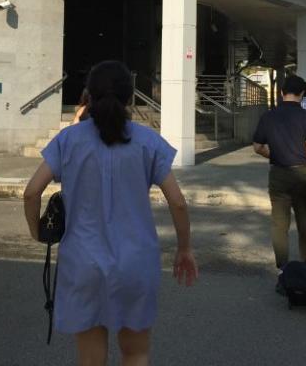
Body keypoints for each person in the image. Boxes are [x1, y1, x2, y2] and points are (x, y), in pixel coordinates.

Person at [24, 60, 198, 366]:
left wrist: (37, 232)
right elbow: (178, 202)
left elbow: (32, 191)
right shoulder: (148, 141)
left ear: (88, 95)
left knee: (91, 359)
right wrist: (184, 248)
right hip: (136, 260)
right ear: (130, 97)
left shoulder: (68, 140)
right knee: (136, 353)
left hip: (82, 261)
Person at [253, 74, 306, 274]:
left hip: (278, 174)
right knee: (305, 223)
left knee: (279, 224)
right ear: (302, 94)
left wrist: (273, 153)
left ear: (281, 92)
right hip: (304, 175)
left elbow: (258, 147)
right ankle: (305, 265)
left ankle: (283, 269)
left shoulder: (268, 116)